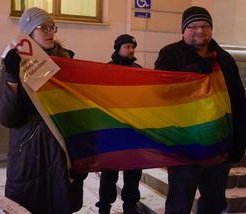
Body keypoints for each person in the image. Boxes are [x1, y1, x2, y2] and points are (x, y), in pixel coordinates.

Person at [155, 6, 246, 214]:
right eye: (193, 26)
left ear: (211, 29)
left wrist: (239, 142)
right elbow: (160, 96)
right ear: (183, 30)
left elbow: (238, 101)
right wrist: (190, 79)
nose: (199, 30)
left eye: (205, 25)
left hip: (219, 145)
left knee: (214, 203)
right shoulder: (170, 55)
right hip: (184, 146)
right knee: (180, 202)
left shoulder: (224, 59)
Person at [0, 7, 86, 214]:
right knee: (28, 206)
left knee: (60, 203)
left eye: (52, 27)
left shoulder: (65, 60)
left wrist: (81, 154)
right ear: (28, 33)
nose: (50, 32)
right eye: (43, 27)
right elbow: (7, 118)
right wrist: (12, 78)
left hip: (61, 149)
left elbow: (76, 111)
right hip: (29, 152)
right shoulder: (15, 61)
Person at [95, 34, 143, 214]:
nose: (131, 50)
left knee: (133, 171)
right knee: (109, 173)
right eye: (127, 47)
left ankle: (130, 205)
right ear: (118, 48)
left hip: (133, 129)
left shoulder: (138, 70)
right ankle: (104, 206)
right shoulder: (106, 70)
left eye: (133, 47)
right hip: (112, 130)